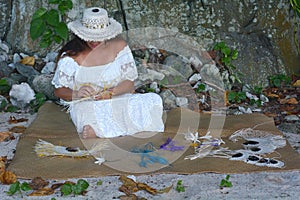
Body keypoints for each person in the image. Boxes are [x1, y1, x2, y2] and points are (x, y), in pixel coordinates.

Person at [51, 7, 164, 139]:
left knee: (152, 100)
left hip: (118, 99)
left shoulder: (120, 47)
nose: (94, 41)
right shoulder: (72, 56)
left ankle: (102, 130)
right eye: (90, 37)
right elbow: (59, 91)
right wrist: (77, 93)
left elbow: (129, 84)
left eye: (99, 37)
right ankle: (97, 129)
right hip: (88, 103)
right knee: (85, 111)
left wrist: (111, 93)